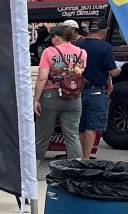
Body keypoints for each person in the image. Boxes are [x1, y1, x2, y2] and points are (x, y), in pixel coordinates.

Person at [34, 22, 87, 163]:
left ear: (57, 37)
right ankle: (76, 171)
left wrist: (36, 99)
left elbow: (42, 78)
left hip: (51, 94)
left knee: (42, 134)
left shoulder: (49, 52)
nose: (51, 41)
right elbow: (79, 73)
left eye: (52, 38)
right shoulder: (82, 53)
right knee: (72, 135)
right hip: (74, 96)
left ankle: (32, 171)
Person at [75, 16, 121, 160]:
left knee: (81, 127)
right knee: (92, 127)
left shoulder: (78, 46)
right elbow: (112, 71)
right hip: (97, 91)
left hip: (79, 91)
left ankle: (81, 156)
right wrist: (119, 70)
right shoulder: (105, 47)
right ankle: (86, 158)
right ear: (104, 31)